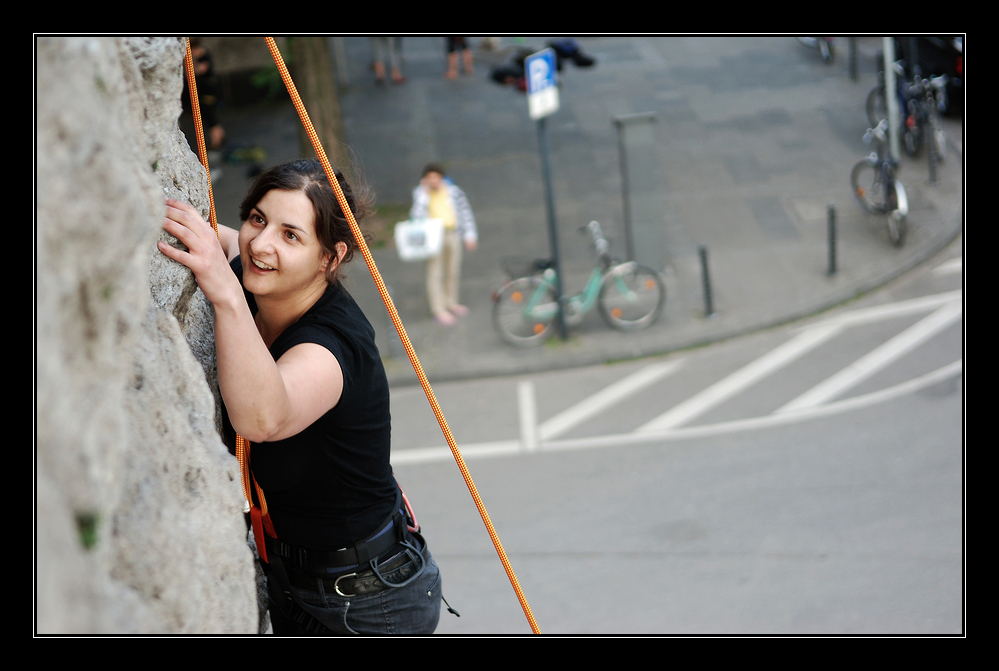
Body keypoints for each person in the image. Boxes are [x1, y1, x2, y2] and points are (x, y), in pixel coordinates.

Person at [159, 159, 443, 635]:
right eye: (257, 219)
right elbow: (220, 240)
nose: (262, 244)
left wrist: (226, 293)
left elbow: (262, 419)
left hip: (372, 603)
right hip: (296, 584)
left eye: (291, 235)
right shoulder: (259, 276)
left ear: (330, 258)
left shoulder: (333, 346)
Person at [409, 164, 478, 326]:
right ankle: (438, 309)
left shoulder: (453, 191)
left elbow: (465, 211)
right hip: (433, 237)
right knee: (435, 273)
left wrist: (470, 234)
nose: (433, 181)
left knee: (452, 270)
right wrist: (423, 195)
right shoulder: (421, 194)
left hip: (452, 233)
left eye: (436, 177)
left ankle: (451, 302)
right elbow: (415, 216)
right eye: (430, 177)